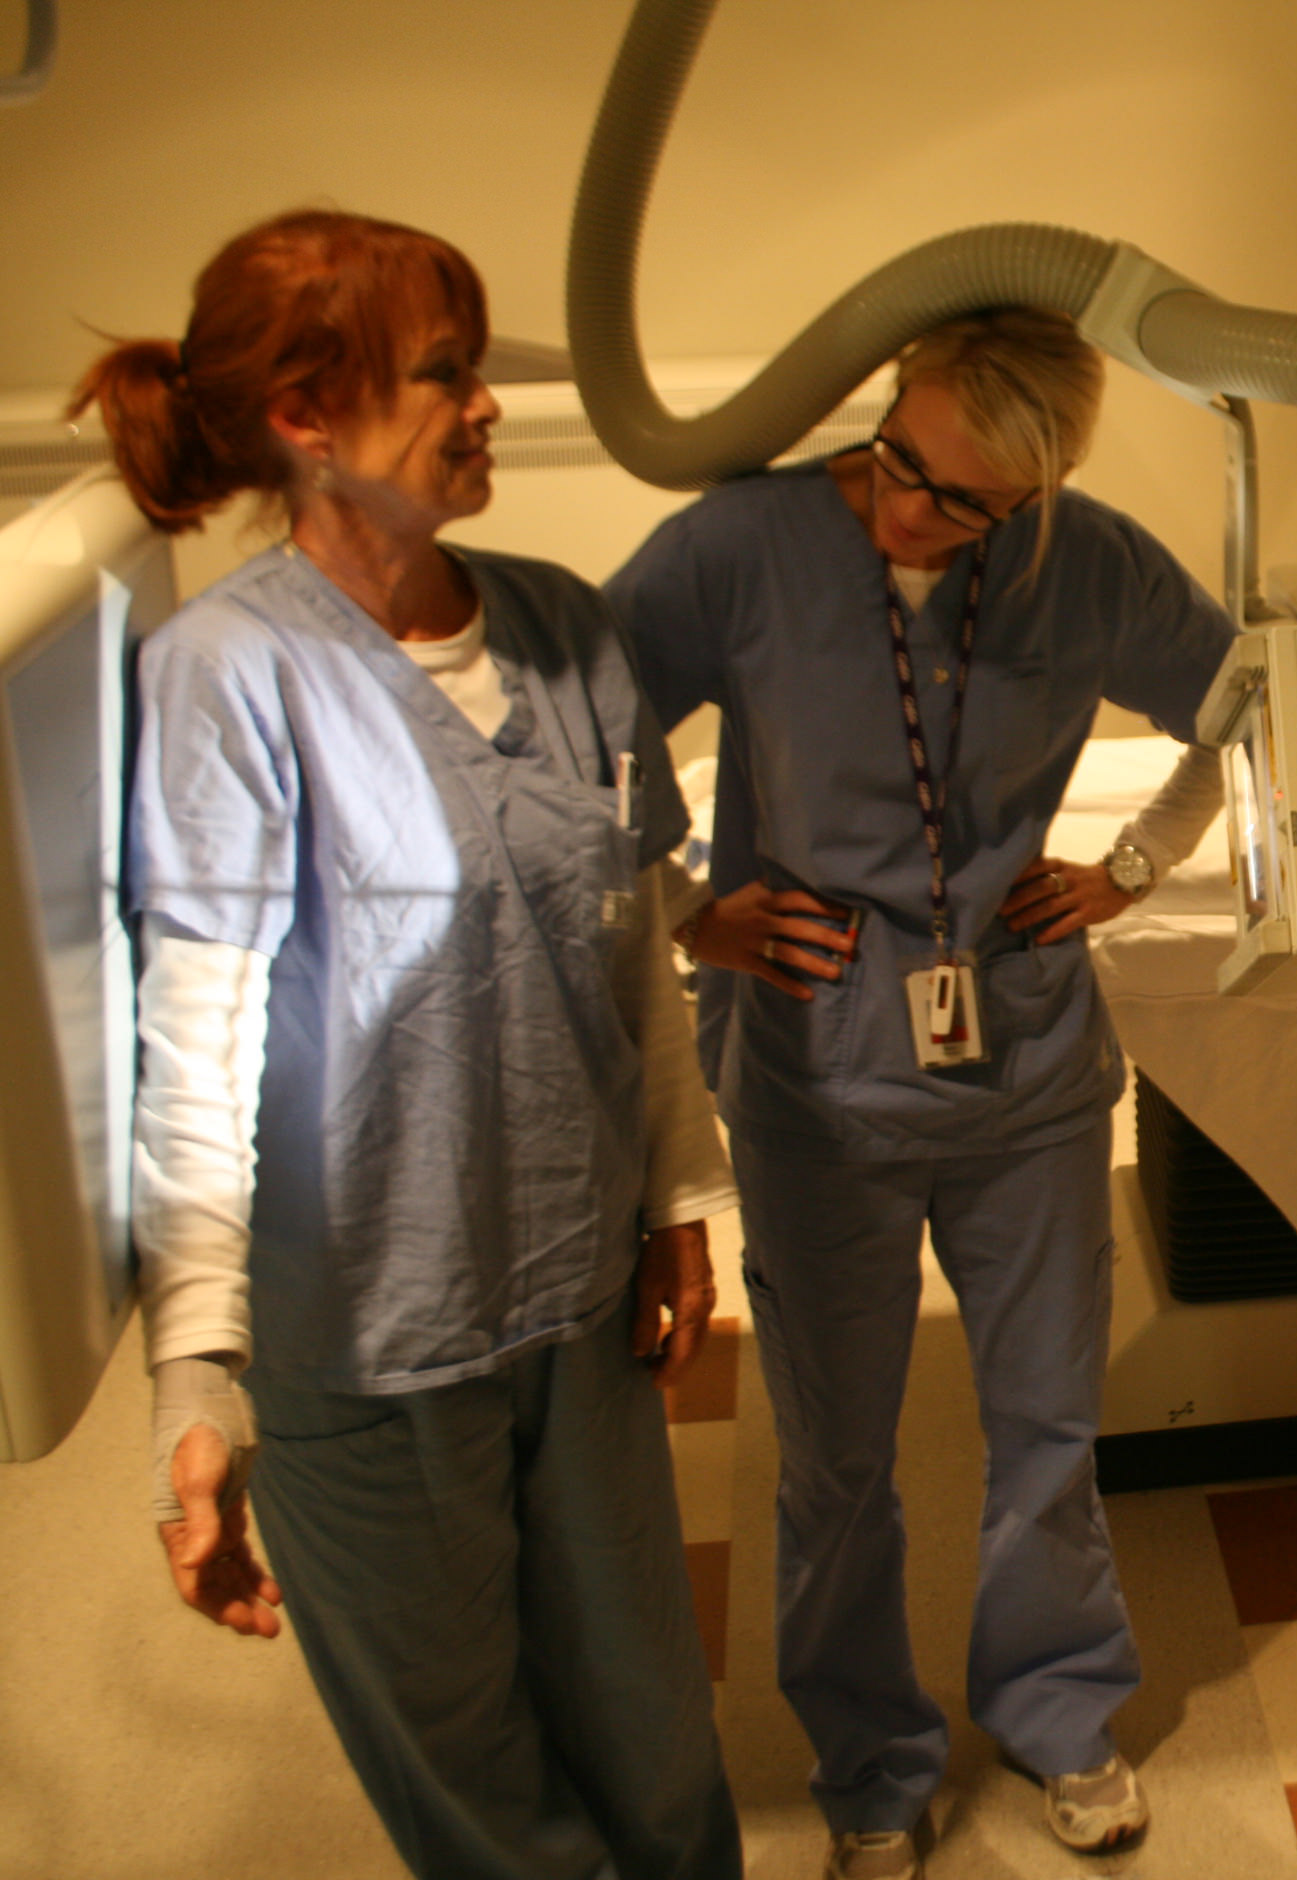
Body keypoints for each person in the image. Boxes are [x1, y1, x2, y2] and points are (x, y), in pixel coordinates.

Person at [90, 209, 742, 1880]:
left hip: (575, 1297)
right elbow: (200, 1039)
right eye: (446, 372)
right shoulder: (225, 680)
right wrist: (198, 1375)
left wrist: (678, 1195)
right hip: (364, 1331)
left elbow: (631, 948)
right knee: (472, 1768)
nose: (485, 405)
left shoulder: (563, 625)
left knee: (653, 1729)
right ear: (309, 417)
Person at [606, 306, 1235, 1880]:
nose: (909, 511)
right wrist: (689, 901)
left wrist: (1134, 867)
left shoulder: (1085, 564)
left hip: (1022, 1064)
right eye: (899, 463)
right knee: (834, 1453)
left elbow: (1262, 706)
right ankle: (870, 1764)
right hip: (820, 1071)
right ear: (886, 412)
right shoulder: (741, 548)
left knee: (1047, 1424)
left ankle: (1057, 1710)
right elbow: (579, 724)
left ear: (1030, 498)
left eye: (961, 504)